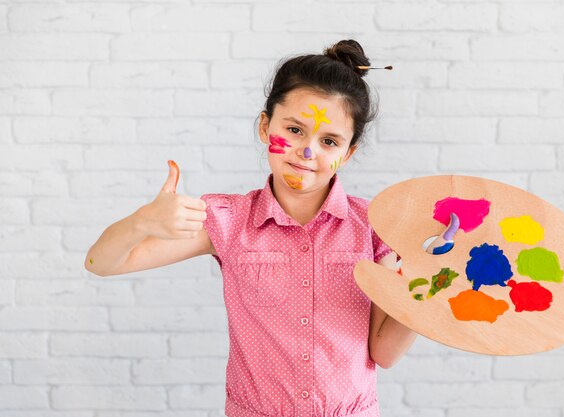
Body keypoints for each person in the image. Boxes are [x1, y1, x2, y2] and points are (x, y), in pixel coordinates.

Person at [85, 39, 417, 417]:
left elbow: (384, 353)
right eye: (294, 130)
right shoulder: (226, 220)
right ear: (265, 125)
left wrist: (427, 290)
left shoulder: (375, 228)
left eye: (329, 141)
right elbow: (101, 263)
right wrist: (142, 221)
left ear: (349, 152)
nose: (308, 152)